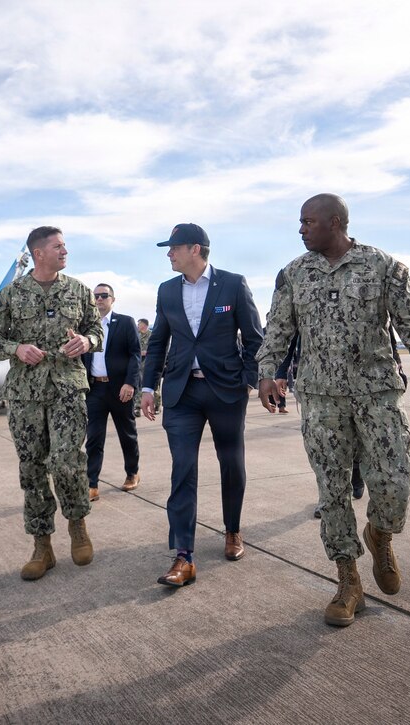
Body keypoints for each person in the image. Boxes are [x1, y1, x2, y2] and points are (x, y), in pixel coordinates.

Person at [257, 193, 410, 627]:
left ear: (335, 222)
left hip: (376, 394)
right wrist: (267, 370)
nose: (300, 229)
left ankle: (379, 534)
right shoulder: (293, 274)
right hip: (321, 399)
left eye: (308, 221)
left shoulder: (382, 266)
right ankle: (348, 581)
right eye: (300, 222)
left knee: (395, 481)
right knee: (333, 491)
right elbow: (278, 329)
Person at [140, 223, 264, 587]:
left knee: (231, 463)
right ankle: (183, 555)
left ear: (195, 249)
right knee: (182, 469)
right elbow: (159, 341)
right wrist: (149, 386)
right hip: (182, 393)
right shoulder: (166, 291)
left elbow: (255, 338)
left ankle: (232, 529)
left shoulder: (232, 283)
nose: (168, 254)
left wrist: (248, 380)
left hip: (225, 391)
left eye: (173, 248)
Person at [0, 226, 104, 581]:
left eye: (65, 245)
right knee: (32, 468)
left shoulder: (79, 291)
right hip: (25, 395)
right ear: (38, 253)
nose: (65, 251)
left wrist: (86, 340)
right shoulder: (10, 294)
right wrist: (15, 349)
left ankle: (77, 525)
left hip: (67, 389)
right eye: (58, 246)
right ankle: (42, 545)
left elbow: (97, 331)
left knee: (67, 461)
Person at [81, 284, 141, 501]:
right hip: (95, 389)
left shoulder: (125, 322)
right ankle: (92, 483)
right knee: (94, 438)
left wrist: (130, 383)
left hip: (120, 389)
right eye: (95, 296)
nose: (99, 299)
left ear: (112, 299)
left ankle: (132, 473)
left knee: (127, 434)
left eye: (103, 295)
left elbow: (135, 355)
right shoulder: (85, 326)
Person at [133, 318, 160, 416]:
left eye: (139, 324)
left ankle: (157, 405)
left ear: (144, 324)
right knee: (139, 384)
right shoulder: (138, 336)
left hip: (150, 364)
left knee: (154, 385)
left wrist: (146, 352)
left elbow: (156, 349)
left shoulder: (152, 335)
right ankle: (137, 407)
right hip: (139, 364)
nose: (138, 325)